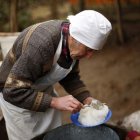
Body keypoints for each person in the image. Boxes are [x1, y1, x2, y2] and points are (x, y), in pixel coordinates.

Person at [0, 10, 112, 140]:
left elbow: (70, 76)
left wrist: (86, 98)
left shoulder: (72, 46)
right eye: (88, 50)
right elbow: (12, 91)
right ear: (75, 37)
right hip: (17, 98)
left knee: (52, 135)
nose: (89, 56)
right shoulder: (40, 45)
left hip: (42, 91)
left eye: (93, 51)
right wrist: (54, 101)